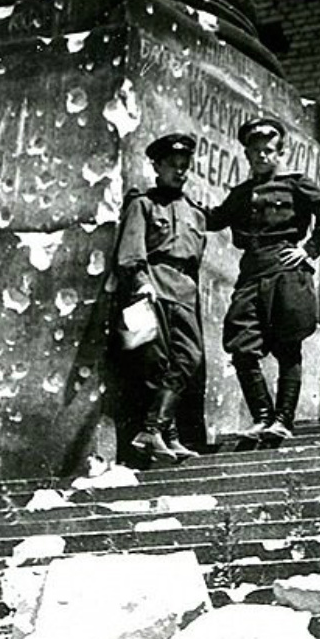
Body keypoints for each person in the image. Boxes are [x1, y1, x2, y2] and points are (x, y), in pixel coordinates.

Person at [206, 117, 320, 445]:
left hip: (286, 271)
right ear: (247, 154)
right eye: (255, 151)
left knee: (288, 344)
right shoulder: (241, 194)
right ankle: (263, 416)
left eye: (268, 150)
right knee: (241, 344)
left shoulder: (296, 185)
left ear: (280, 153)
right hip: (252, 272)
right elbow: (213, 219)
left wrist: (308, 250)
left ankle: (282, 420)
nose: (262, 156)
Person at [113, 132, 207, 462]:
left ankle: (153, 430)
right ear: (157, 166)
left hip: (184, 292)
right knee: (157, 364)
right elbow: (130, 251)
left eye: (184, 165)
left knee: (189, 359)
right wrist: (140, 281)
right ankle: (166, 435)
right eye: (172, 165)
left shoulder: (195, 213)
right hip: (153, 286)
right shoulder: (143, 204)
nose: (179, 171)